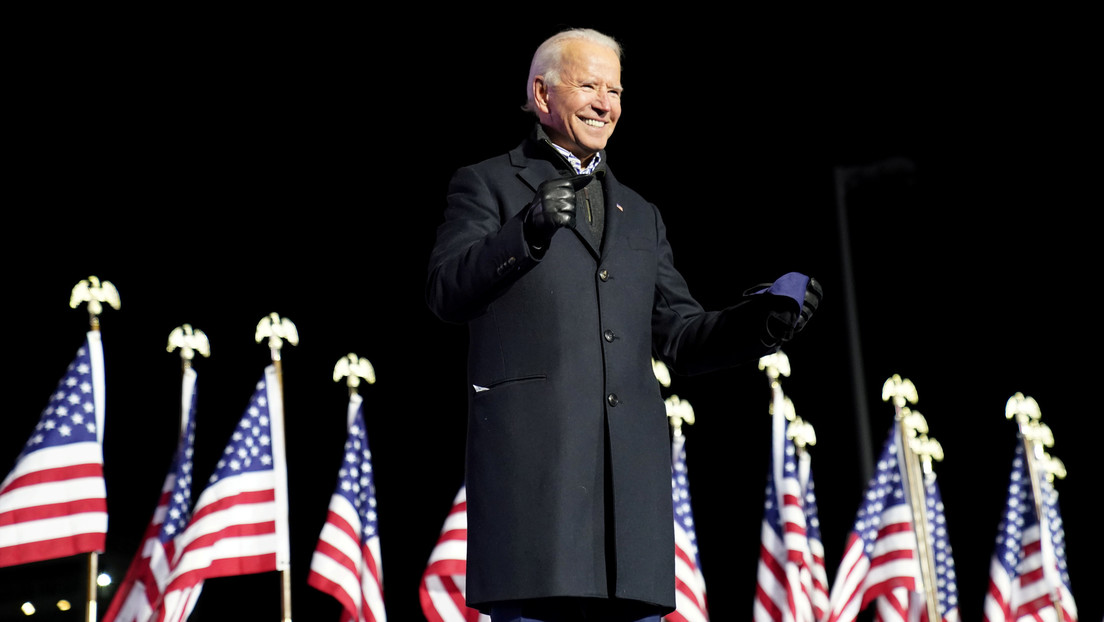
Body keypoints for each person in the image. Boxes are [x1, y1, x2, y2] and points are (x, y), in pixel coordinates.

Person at [425, 27, 821, 622]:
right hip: (536, 502)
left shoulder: (639, 214)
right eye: (588, 85)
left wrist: (762, 323)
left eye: (614, 90)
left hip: (630, 514)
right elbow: (444, 292)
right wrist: (526, 231)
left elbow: (681, 336)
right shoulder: (486, 183)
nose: (605, 104)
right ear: (541, 94)